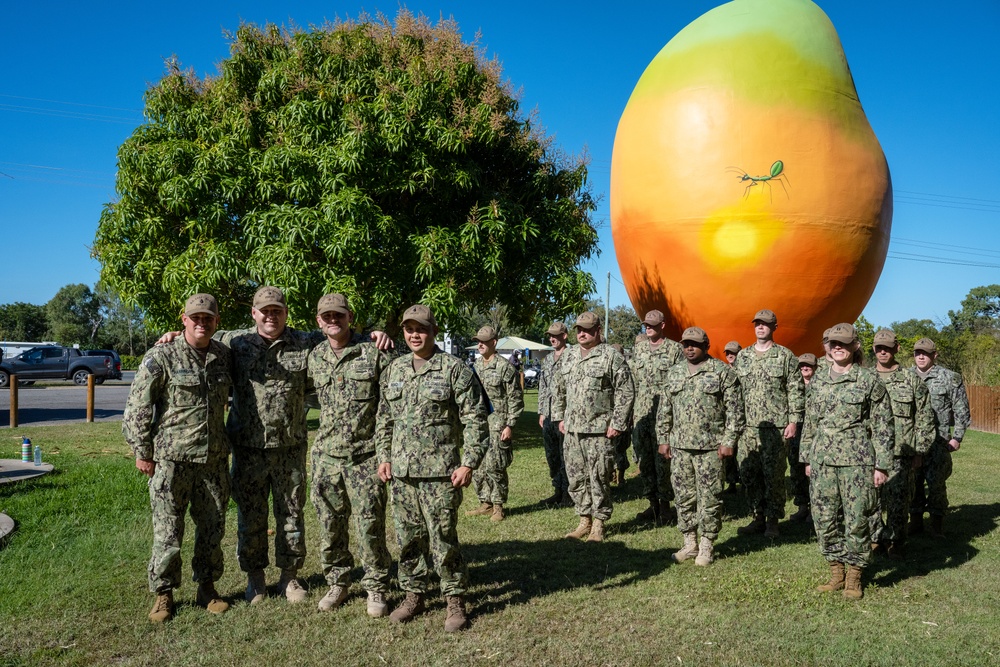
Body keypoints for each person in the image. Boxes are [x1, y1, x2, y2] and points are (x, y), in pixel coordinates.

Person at [157, 286, 391, 604]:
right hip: (248, 448)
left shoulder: (306, 341)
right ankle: (255, 579)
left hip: (289, 447)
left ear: (285, 314)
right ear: (254, 313)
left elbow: (338, 334)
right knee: (251, 517)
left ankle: (290, 578)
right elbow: (199, 335)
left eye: (277, 310)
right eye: (264, 310)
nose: (271, 316)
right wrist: (173, 335)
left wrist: (374, 335)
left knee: (291, 515)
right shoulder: (234, 342)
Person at [375, 304, 489, 632]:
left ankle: (454, 599)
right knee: (409, 538)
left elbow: (475, 418)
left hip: (441, 472)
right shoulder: (394, 370)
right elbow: (385, 419)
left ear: (433, 332)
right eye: (409, 329)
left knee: (442, 537)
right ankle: (413, 595)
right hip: (403, 473)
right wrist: (384, 457)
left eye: (421, 328)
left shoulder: (455, 369)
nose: (414, 334)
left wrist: (469, 462)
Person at [123, 293, 233, 623]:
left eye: (208, 318)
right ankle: (164, 594)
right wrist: (143, 452)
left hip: (212, 461)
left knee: (212, 528)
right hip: (171, 460)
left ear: (216, 322)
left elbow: (256, 335)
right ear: (183, 319)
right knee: (168, 532)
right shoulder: (162, 355)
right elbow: (138, 407)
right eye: (195, 317)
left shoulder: (224, 355)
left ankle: (208, 588)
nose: (202, 322)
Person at [306, 294, 393, 617]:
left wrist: (385, 452)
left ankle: (376, 586)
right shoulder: (314, 356)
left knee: (370, 525)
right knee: (330, 525)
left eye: (339, 315)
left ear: (350, 317)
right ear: (318, 321)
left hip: (364, 456)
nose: (333, 320)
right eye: (327, 316)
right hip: (326, 457)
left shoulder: (374, 352)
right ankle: (338, 581)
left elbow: (389, 405)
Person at [800, 323, 893, 600]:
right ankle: (836, 572)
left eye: (842, 342)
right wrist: (806, 458)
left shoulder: (868, 380)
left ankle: (854, 576)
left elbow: (883, 425)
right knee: (824, 518)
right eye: (831, 343)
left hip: (857, 462)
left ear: (854, 346)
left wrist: (882, 465)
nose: (836, 347)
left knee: (857, 520)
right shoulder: (818, 380)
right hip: (822, 461)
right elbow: (811, 422)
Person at [656, 327, 744, 566]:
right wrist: (663, 439)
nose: (689, 348)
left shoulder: (722, 372)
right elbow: (665, 409)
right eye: (685, 344)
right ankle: (690, 543)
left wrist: (729, 441)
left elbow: (736, 411)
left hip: (710, 448)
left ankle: (707, 545)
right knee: (683, 496)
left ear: (706, 345)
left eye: (694, 344)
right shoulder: (674, 373)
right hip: (680, 447)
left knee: (710, 497)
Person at [551, 311, 635, 542]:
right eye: (579, 329)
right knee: (576, 477)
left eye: (587, 330)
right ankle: (583, 519)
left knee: (599, 476)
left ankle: (599, 523)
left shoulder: (610, 356)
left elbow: (626, 392)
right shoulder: (568, 357)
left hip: (600, 430)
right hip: (573, 430)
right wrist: (559, 417)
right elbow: (557, 389)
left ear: (598, 331)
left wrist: (617, 423)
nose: (582, 334)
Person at [734, 309, 805, 539]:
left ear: (774, 327)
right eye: (757, 324)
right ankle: (758, 517)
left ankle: (773, 522)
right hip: (748, 428)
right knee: (749, 473)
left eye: (765, 324)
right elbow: (735, 393)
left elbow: (795, 390)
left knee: (773, 475)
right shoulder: (743, 357)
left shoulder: (785, 356)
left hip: (775, 428)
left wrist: (793, 421)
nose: (760, 327)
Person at [870, 330, 935, 558]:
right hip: (870, 452)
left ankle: (896, 541)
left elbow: (925, 416)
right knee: (872, 501)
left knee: (898, 500)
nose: (883, 351)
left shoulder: (911, 379)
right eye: (879, 347)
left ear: (897, 349)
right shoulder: (864, 378)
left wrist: (919, 450)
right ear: (874, 349)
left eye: (887, 347)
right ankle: (876, 540)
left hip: (902, 451)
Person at [909, 337, 970, 538]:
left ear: (934, 355)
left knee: (936, 484)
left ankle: (937, 527)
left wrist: (957, 437)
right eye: (918, 352)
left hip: (939, 441)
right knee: (913, 483)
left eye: (925, 353)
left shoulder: (949, 377)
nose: (921, 356)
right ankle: (916, 523)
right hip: (912, 441)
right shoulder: (905, 376)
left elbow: (961, 409)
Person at [466, 325, 524, 522]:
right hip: (478, 424)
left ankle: (498, 505)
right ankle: (485, 502)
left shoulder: (504, 367)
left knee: (495, 466)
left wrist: (510, 425)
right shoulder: (475, 366)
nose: (480, 345)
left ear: (494, 342)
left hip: (498, 424)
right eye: (478, 341)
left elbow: (515, 398)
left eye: (484, 341)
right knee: (478, 466)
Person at [630, 309, 683, 523]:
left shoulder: (675, 349)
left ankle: (666, 506)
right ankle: (652, 504)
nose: (648, 327)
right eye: (646, 324)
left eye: (652, 324)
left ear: (663, 325)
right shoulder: (639, 349)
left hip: (664, 413)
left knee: (664, 461)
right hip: (642, 413)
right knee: (645, 460)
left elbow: (680, 382)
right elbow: (633, 381)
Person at [537, 322, 572, 506]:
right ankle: (557, 490)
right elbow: (543, 387)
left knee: (566, 454)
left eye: (556, 335)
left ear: (565, 336)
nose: (552, 338)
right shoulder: (548, 359)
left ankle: (569, 493)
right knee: (552, 455)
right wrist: (542, 412)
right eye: (550, 335)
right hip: (549, 414)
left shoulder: (573, 356)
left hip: (566, 414)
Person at [787, 353, 818, 522]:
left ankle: (815, 508)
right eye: (802, 366)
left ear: (815, 367)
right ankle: (802, 506)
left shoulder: (820, 385)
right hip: (796, 435)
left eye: (809, 365)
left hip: (813, 436)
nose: (805, 368)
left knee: (814, 472)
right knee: (796, 470)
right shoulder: (793, 387)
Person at [722, 339, 743, 492]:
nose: (730, 355)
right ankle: (731, 483)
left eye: (733, 353)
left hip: (743, 416)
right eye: (728, 353)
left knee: (742, 452)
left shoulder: (744, 371)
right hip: (726, 417)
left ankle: (744, 481)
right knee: (729, 453)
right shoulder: (722, 371)